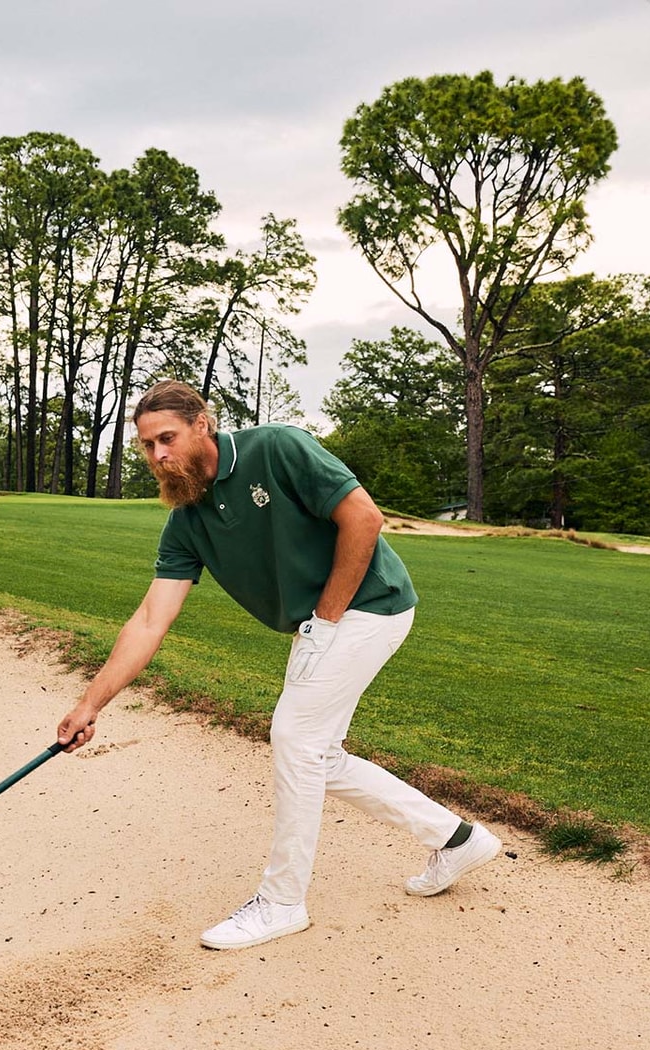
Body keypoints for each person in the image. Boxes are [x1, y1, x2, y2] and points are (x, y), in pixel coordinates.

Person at [57, 380, 501, 950]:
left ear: (202, 425)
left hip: (371, 606)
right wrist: (90, 704)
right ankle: (457, 838)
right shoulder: (186, 520)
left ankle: (282, 901)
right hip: (325, 625)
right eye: (147, 446)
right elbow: (149, 620)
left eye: (166, 439)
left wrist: (326, 617)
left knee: (294, 737)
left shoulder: (277, 447)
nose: (158, 456)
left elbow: (364, 518)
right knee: (319, 756)